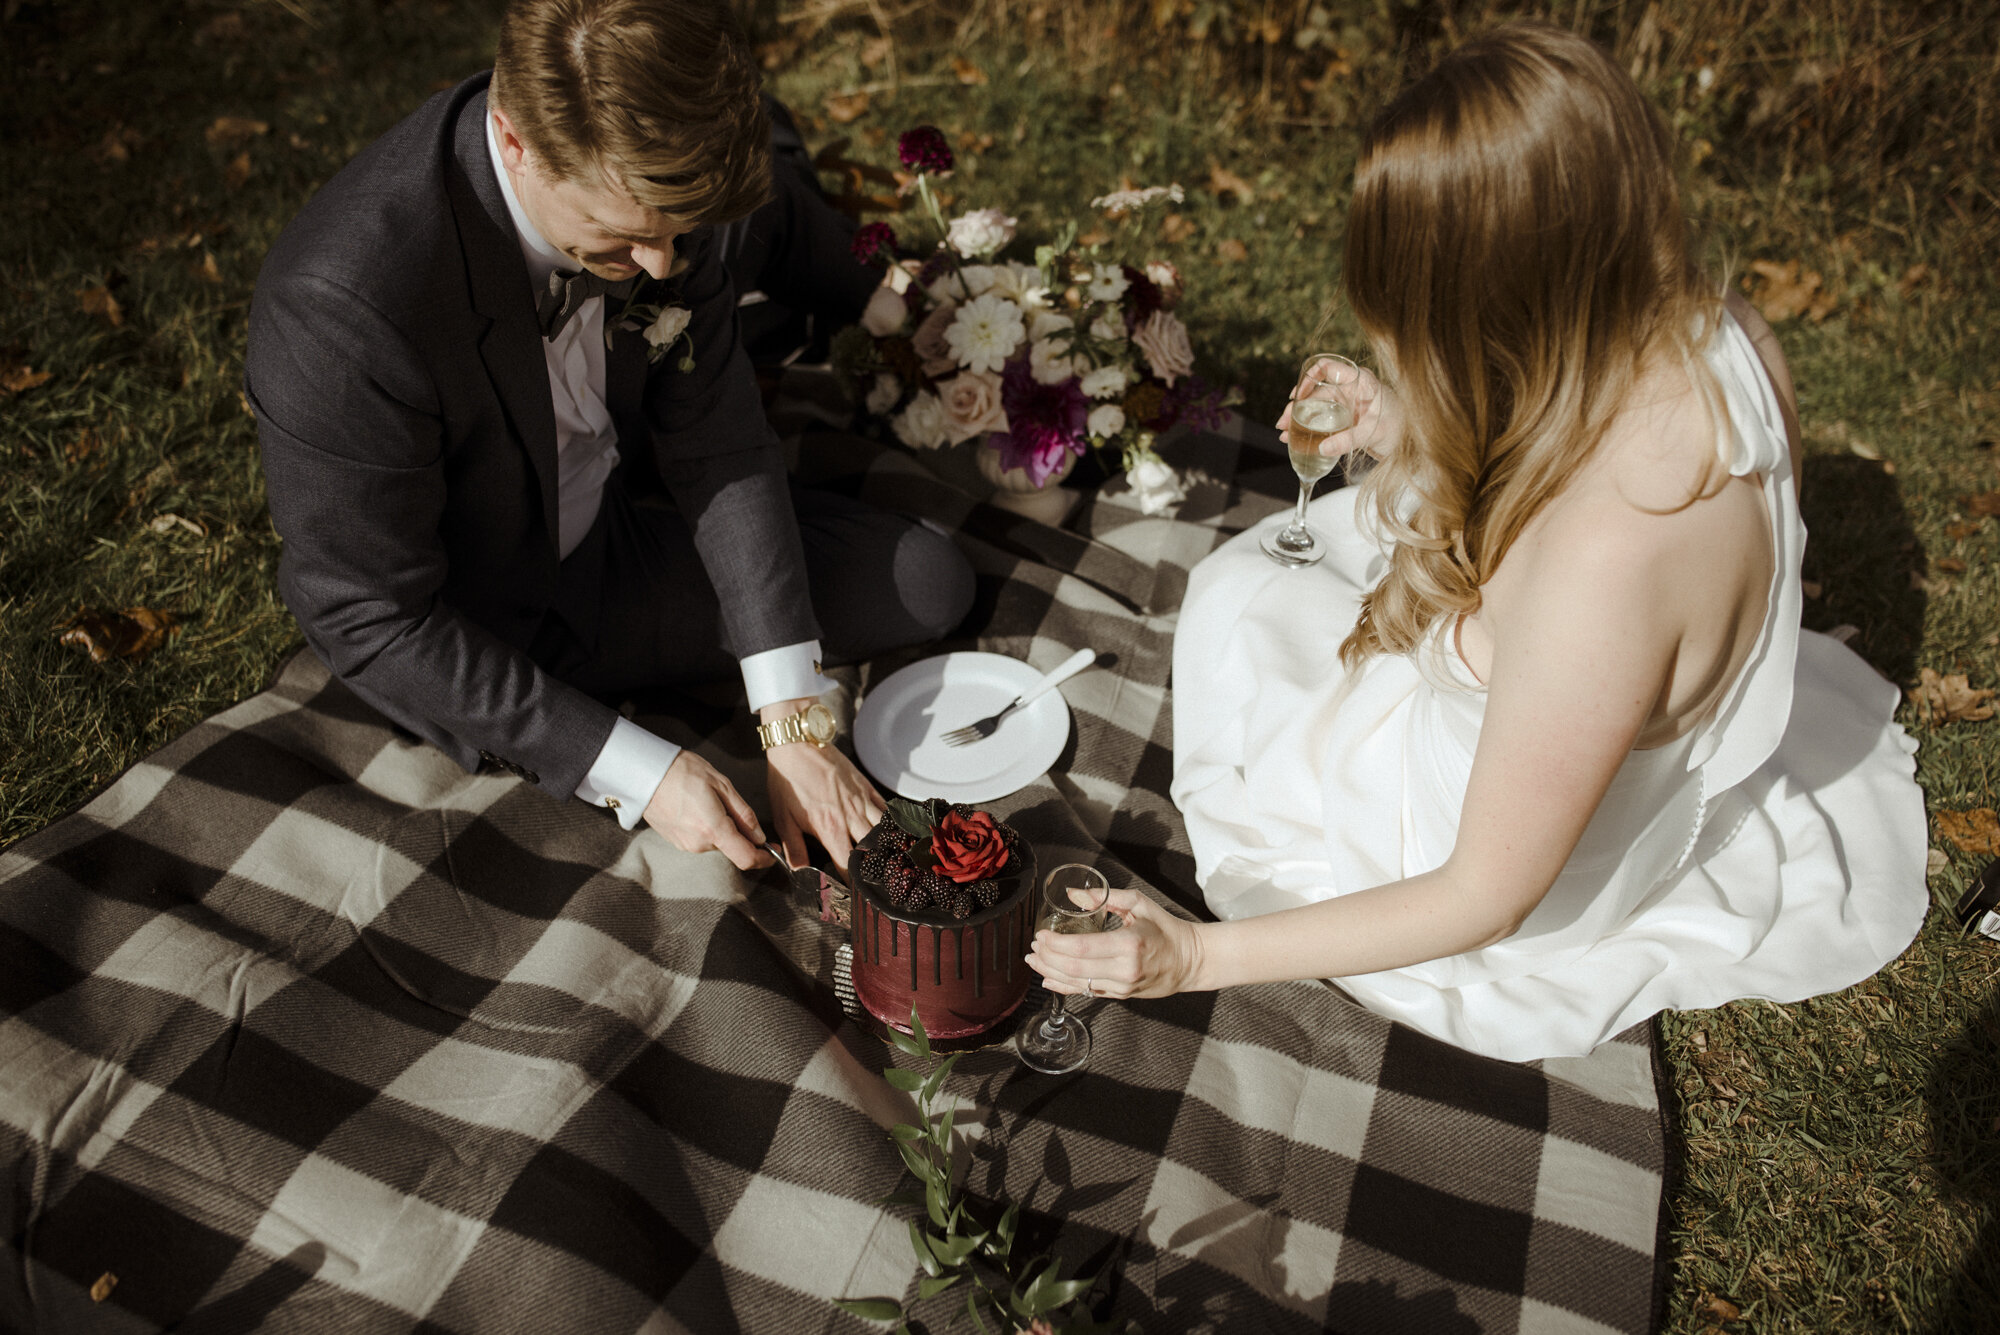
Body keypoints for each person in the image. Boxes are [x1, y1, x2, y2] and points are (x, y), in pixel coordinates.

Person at [1027, 22, 1928, 1062]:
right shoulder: (1731, 337)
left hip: (1471, 863)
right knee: (1267, 582)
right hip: (1601, 767)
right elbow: (1578, 442)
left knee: (1242, 604)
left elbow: (1479, 896)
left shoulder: (1596, 566)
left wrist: (1195, 956)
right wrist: (1404, 427)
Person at [246, 0, 974, 874]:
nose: (666, 264)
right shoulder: (340, 309)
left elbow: (721, 439)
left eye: (675, 233)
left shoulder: (660, 201)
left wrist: (793, 724)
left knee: (928, 583)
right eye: (627, 238)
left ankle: (801, 256)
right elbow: (370, 614)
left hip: (611, 530)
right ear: (515, 141)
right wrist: (641, 770)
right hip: (479, 617)